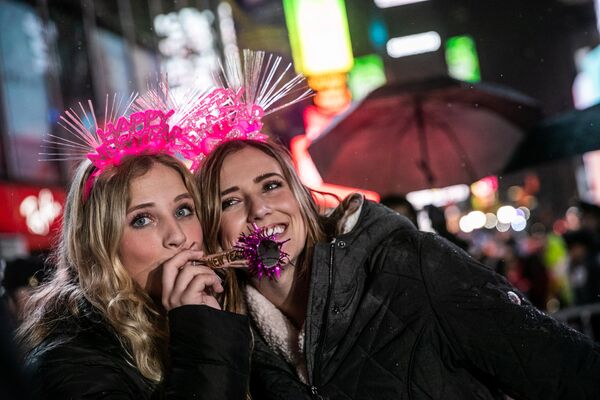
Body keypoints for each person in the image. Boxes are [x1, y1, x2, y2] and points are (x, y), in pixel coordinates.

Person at [198, 138, 600, 400]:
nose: (259, 209)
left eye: (271, 185)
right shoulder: (239, 350)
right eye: (231, 202)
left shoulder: (410, 264)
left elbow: (569, 374)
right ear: (215, 233)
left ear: (303, 200)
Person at [17, 117, 251, 398]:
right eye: (142, 219)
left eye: (183, 210)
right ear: (101, 244)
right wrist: (201, 339)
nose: (176, 235)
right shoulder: (69, 362)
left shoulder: (222, 305)